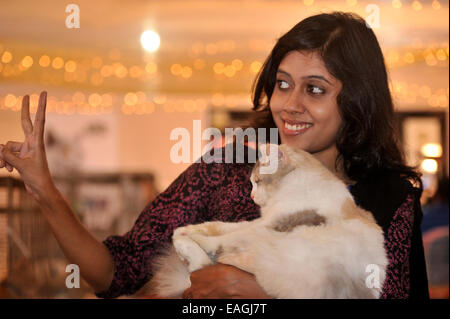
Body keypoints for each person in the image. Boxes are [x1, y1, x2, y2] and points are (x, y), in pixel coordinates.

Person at [0, 11, 429, 299]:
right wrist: (43, 188)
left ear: (356, 100)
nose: (290, 104)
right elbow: (114, 271)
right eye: (283, 83)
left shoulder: (386, 201)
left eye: (314, 89)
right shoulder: (228, 169)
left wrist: (259, 294)